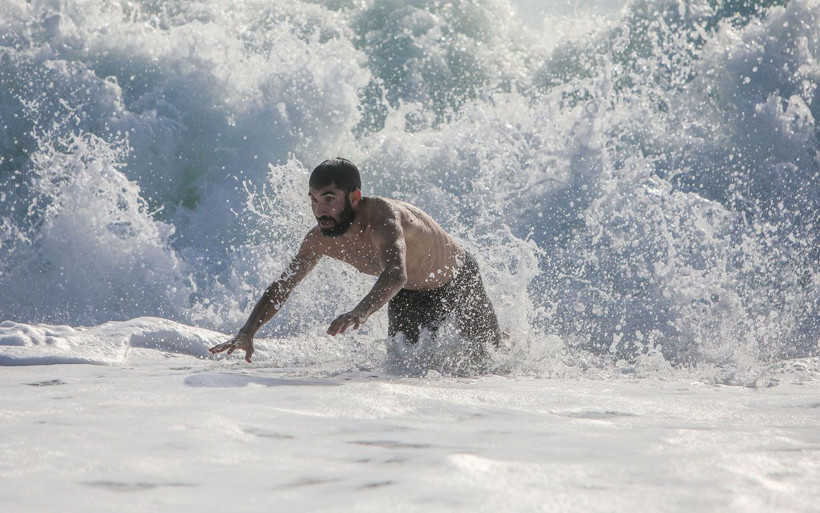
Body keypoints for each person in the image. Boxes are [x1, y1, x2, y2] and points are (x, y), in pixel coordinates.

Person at [209, 157, 501, 363]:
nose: (319, 210)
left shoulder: (384, 219)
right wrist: (247, 332)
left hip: (457, 279)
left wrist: (360, 312)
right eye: (314, 200)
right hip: (407, 295)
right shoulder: (319, 240)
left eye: (329, 198)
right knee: (404, 368)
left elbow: (396, 272)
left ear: (354, 197)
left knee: (491, 357)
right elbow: (283, 286)